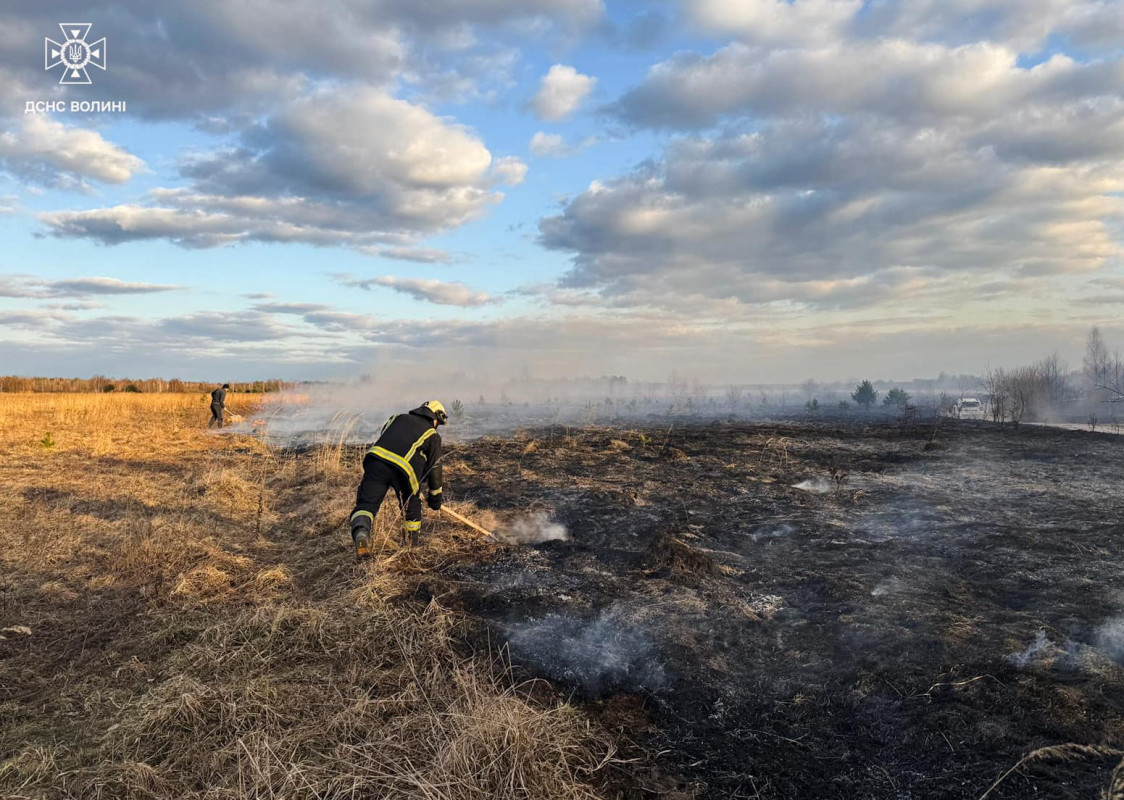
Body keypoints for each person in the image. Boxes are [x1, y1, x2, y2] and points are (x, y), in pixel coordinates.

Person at [349, 401, 446, 557]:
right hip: (404, 470)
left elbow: (387, 436)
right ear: (435, 418)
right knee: (411, 505)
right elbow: (435, 468)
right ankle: (410, 548)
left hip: (376, 461)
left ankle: (361, 533)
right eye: (438, 423)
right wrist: (435, 499)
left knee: (366, 504)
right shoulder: (432, 435)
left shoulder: (397, 417)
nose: (437, 426)